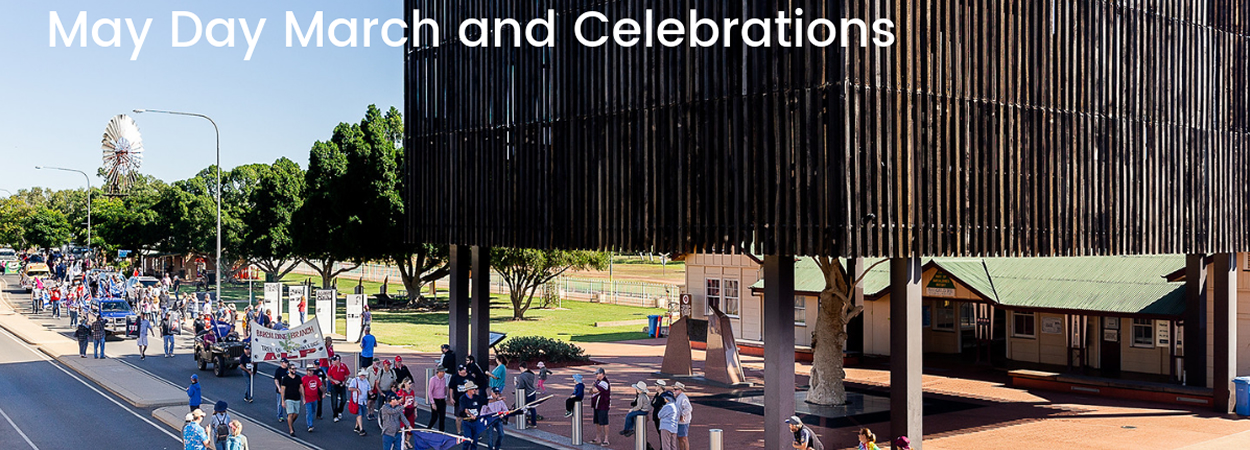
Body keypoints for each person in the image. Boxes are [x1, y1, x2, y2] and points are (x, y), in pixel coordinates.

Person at [455, 382, 485, 450]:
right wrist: (471, 415)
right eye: (473, 389)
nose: (475, 390)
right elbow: (464, 409)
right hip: (467, 422)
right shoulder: (463, 398)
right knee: (468, 439)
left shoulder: (477, 397)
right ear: (468, 390)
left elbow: (485, 401)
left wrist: (496, 399)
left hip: (476, 422)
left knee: (475, 441)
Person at [590, 367, 612, 446]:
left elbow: (594, 390)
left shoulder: (604, 382)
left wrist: (593, 387)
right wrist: (593, 388)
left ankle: (606, 439)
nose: (596, 375)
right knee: (597, 422)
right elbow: (591, 391)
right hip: (596, 405)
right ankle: (598, 438)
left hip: (603, 404)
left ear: (602, 374)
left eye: (597, 374)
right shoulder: (598, 382)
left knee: (604, 422)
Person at [280, 364, 304, 436]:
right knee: (290, 413)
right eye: (292, 369)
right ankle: (291, 430)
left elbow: (301, 388)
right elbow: (283, 389)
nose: (294, 370)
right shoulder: (285, 378)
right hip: (288, 398)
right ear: (289, 370)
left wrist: (304, 397)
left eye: (295, 369)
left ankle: (290, 423)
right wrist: (282, 400)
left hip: (297, 398)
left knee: (296, 413)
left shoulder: (298, 378)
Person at [448, 365, 471, 433]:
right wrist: (451, 398)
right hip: (458, 400)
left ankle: (469, 431)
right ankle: (459, 431)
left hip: (468, 400)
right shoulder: (455, 377)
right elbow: (451, 387)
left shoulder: (469, 377)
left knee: (468, 416)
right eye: (461, 371)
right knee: (458, 416)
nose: (462, 373)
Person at [301, 364, 324, 433]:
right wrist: (303, 398)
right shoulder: (304, 379)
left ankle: (311, 421)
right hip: (308, 398)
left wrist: (323, 393)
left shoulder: (316, 377)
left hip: (314, 397)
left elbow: (320, 386)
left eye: (312, 371)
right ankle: (309, 425)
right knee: (309, 411)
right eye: (310, 371)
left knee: (313, 410)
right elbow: (302, 388)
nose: (311, 372)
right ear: (307, 371)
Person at [327, 355, 350, 422]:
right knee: (334, 401)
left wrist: (344, 381)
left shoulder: (343, 366)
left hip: (341, 384)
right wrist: (334, 381)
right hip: (334, 385)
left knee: (344, 399)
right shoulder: (331, 367)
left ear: (338, 360)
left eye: (334, 360)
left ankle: (340, 410)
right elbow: (328, 376)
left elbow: (347, 375)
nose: (333, 361)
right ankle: (335, 415)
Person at [515, 362, 539, 427]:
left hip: (527, 393)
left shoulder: (522, 376)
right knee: (532, 408)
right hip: (533, 392)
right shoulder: (531, 374)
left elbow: (521, 386)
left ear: (521, 367)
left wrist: (516, 384)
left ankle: (526, 423)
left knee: (524, 408)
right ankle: (534, 423)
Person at [426, 365, 449, 432]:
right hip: (435, 400)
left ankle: (441, 432)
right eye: (442, 372)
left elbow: (445, 388)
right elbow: (430, 391)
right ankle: (428, 429)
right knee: (434, 417)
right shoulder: (433, 380)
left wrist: (445, 396)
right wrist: (432, 403)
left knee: (442, 417)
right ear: (439, 372)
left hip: (442, 400)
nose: (444, 373)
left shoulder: (444, 379)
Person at [348, 369, 371, 436]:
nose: (363, 376)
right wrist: (357, 389)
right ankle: (361, 429)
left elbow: (369, 389)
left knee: (361, 414)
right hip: (357, 400)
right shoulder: (355, 380)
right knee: (359, 414)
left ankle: (356, 426)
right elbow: (350, 388)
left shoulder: (366, 381)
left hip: (363, 401)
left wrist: (371, 393)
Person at [673, 382, 693, 450]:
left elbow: (689, 408)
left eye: (676, 389)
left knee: (684, 438)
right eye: (674, 389)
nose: (674, 391)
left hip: (683, 421)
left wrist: (682, 415)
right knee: (679, 437)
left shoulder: (683, 397)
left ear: (680, 389)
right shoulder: (678, 397)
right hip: (678, 421)